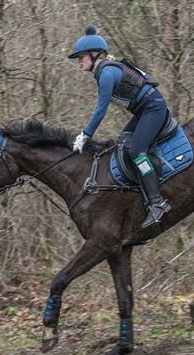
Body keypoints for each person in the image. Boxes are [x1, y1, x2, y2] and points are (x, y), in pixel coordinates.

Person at [68, 25, 170, 228]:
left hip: (153, 109)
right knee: (123, 143)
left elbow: (100, 109)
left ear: (94, 55)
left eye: (81, 57)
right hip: (144, 111)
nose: (79, 61)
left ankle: (157, 203)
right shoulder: (104, 72)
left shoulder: (106, 74)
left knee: (137, 152)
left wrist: (85, 135)